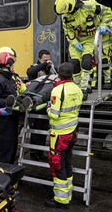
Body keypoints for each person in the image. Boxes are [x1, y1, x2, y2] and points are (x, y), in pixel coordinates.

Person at [54, 0, 112, 100]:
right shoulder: (64, 16)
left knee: (87, 62)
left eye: (67, 13)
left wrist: (103, 25)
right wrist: (75, 43)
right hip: (76, 41)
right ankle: (76, 89)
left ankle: (83, 90)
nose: (66, 15)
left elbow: (107, 12)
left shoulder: (89, 6)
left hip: (89, 40)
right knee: (74, 65)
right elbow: (68, 31)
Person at [44, 62, 83, 209]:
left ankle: (61, 200)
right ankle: (68, 194)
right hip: (72, 132)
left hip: (59, 136)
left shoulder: (57, 90)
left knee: (57, 165)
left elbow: (54, 115)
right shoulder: (77, 89)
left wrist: (48, 107)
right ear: (72, 74)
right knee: (67, 163)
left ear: (58, 74)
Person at [71, 0, 112, 90]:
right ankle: (91, 85)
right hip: (92, 43)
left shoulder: (100, 14)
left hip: (104, 43)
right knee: (90, 65)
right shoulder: (85, 15)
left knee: (105, 63)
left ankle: (107, 81)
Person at [24, 49, 55, 161]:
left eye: (49, 59)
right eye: (45, 60)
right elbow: (30, 72)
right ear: (39, 59)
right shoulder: (35, 67)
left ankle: (40, 153)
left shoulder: (51, 70)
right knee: (35, 131)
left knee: (43, 130)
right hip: (35, 105)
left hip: (45, 105)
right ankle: (33, 153)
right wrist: (43, 65)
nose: (48, 62)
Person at [0, 52, 20, 164]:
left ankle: (9, 173)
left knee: (12, 148)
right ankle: (3, 174)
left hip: (12, 118)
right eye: (12, 64)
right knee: (6, 149)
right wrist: (9, 104)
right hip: (5, 119)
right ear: (8, 65)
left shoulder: (10, 80)